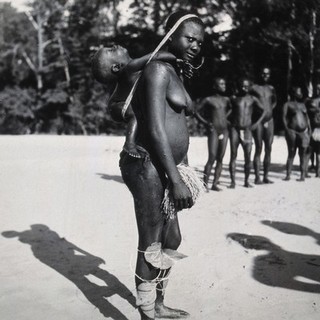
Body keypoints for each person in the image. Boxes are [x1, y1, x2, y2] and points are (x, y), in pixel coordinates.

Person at [119, 11, 205, 320]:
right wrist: (176, 179)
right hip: (148, 164)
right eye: (189, 38)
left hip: (168, 166)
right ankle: (146, 313)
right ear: (171, 35)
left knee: (172, 238)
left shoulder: (174, 71)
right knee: (152, 240)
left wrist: (184, 171)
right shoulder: (157, 69)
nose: (195, 45)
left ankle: (157, 303)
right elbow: (155, 129)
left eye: (199, 41)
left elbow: (176, 124)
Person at [91, 46, 179, 157]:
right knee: (135, 113)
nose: (115, 46)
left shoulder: (129, 69)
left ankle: (137, 141)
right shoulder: (131, 66)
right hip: (118, 106)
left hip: (116, 105)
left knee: (141, 114)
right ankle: (129, 144)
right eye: (112, 50)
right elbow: (155, 55)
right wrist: (175, 58)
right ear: (116, 67)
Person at [195, 77, 231, 191]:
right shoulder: (208, 100)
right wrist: (206, 123)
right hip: (214, 131)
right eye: (221, 84)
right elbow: (195, 111)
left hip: (224, 131)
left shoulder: (226, 100)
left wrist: (226, 118)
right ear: (215, 86)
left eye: (224, 84)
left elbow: (231, 109)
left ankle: (215, 183)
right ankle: (205, 185)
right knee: (212, 157)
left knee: (220, 158)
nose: (224, 86)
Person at [229, 78, 266, 188]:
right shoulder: (234, 98)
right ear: (239, 86)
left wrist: (256, 123)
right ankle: (233, 182)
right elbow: (226, 111)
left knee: (247, 157)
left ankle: (246, 181)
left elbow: (264, 111)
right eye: (242, 86)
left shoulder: (252, 99)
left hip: (247, 130)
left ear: (249, 87)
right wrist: (227, 122)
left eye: (246, 86)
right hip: (235, 129)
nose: (244, 88)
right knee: (233, 155)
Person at [251, 67, 277, 184]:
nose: (265, 76)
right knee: (258, 147)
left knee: (269, 148)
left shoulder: (271, 88)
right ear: (260, 74)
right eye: (263, 73)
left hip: (270, 120)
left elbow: (275, 101)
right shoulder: (254, 88)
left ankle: (266, 176)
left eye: (267, 74)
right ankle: (257, 177)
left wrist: (270, 109)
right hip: (258, 121)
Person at [282, 86, 311, 181]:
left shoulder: (303, 105)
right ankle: (288, 175)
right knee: (291, 152)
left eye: (301, 92)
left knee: (302, 153)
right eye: (299, 92)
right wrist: (287, 130)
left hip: (303, 132)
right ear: (294, 93)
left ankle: (302, 175)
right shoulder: (288, 104)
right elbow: (284, 117)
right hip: (292, 132)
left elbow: (307, 118)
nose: (301, 94)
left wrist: (309, 129)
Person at [306, 83, 320, 177]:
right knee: (310, 149)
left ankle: (318, 171)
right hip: (312, 127)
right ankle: (310, 167)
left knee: (318, 151)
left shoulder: (312, 101)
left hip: (317, 127)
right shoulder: (310, 101)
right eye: (318, 88)